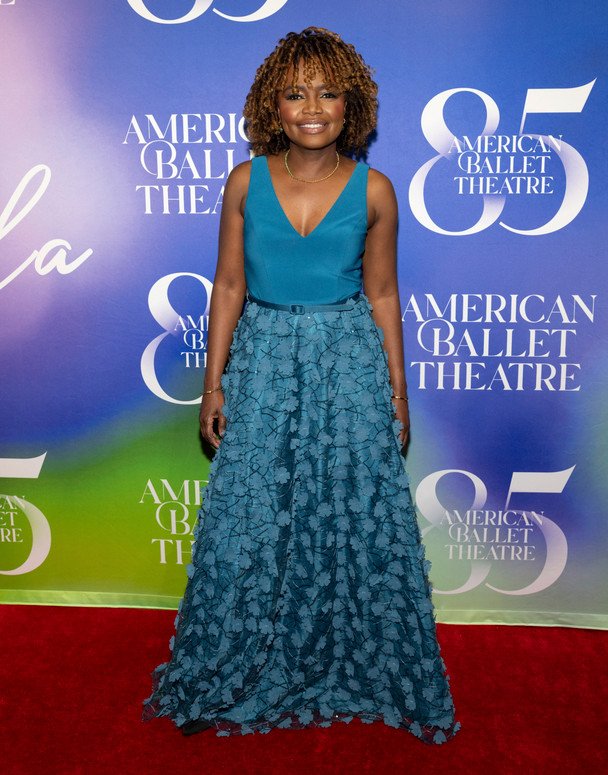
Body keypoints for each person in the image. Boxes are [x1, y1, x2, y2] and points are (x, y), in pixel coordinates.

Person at [142, 26, 461, 745]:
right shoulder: (243, 181)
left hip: (347, 365)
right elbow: (228, 285)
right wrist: (213, 385)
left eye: (327, 92)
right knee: (254, 513)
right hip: (263, 363)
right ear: (272, 106)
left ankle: (355, 659)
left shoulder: (376, 190)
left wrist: (397, 394)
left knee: (350, 513)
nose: (312, 107)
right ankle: (238, 658)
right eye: (295, 93)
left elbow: (384, 294)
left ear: (351, 105)